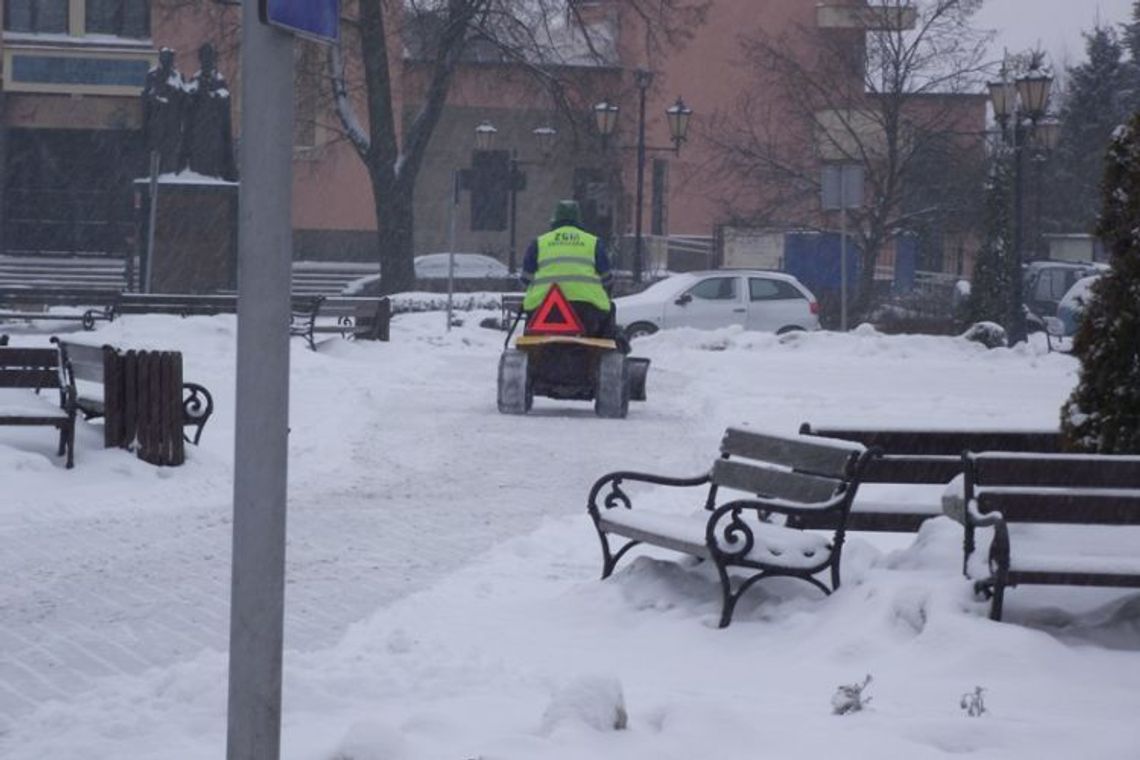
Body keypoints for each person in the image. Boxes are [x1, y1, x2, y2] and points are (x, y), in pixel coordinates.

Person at [520, 200, 616, 338]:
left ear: (555, 219)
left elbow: (525, 280)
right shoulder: (593, 243)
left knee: (532, 340)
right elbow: (607, 279)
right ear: (578, 219)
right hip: (587, 311)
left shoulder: (539, 243)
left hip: (544, 310)